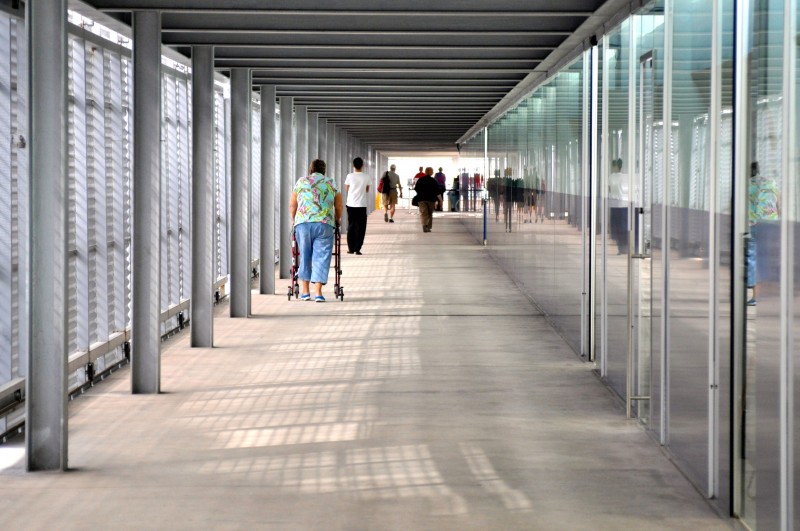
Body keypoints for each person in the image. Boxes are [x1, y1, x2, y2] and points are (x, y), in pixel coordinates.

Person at [290, 159, 343, 302]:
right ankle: (318, 292)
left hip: (303, 223)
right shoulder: (331, 182)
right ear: (324, 171)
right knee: (322, 256)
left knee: (305, 254)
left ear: (310, 170)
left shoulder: (301, 181)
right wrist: (337, 219)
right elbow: (338, 205)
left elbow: (293, 205)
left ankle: (305, 292)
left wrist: (294, 219)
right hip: (324, 223)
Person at [747, 161, 780, 306]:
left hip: (756, 224)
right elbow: (779, 202)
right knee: (769, 257)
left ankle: (756, 296)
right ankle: (769, 291)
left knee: (755, 258)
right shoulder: (771, 183)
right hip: (772, 223)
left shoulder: (749, 184)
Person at [344, 157, 370, 255]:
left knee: (351, 226)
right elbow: (367, 190)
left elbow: (347, 188)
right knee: (361, 226)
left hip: (350, 204)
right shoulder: (366, 177)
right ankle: (358, 248)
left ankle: (350, 248)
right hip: (362, 205)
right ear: (362, 165)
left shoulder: (349, 176)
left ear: (353, 165)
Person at [607, 158, 629, 253]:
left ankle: (622, 247)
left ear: (617, 166)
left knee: (618, 225)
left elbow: (610, 189)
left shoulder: (612, 177)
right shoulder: (621, 177)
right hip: (620, 203)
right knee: (620, 225)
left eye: (613, 166)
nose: (612, 167)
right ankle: (622, 247)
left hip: (617, 203)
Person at [414, 167, 441, 232]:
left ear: (425, 172)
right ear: (432, 172)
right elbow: (437, 191)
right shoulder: (433, 180)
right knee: (429, 213)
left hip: (421, 199)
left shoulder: (420, 180)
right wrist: (440, 200)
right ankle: (428, 227)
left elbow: (416, 189)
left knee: (423, 213)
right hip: (431, 199)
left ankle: (424, 225)